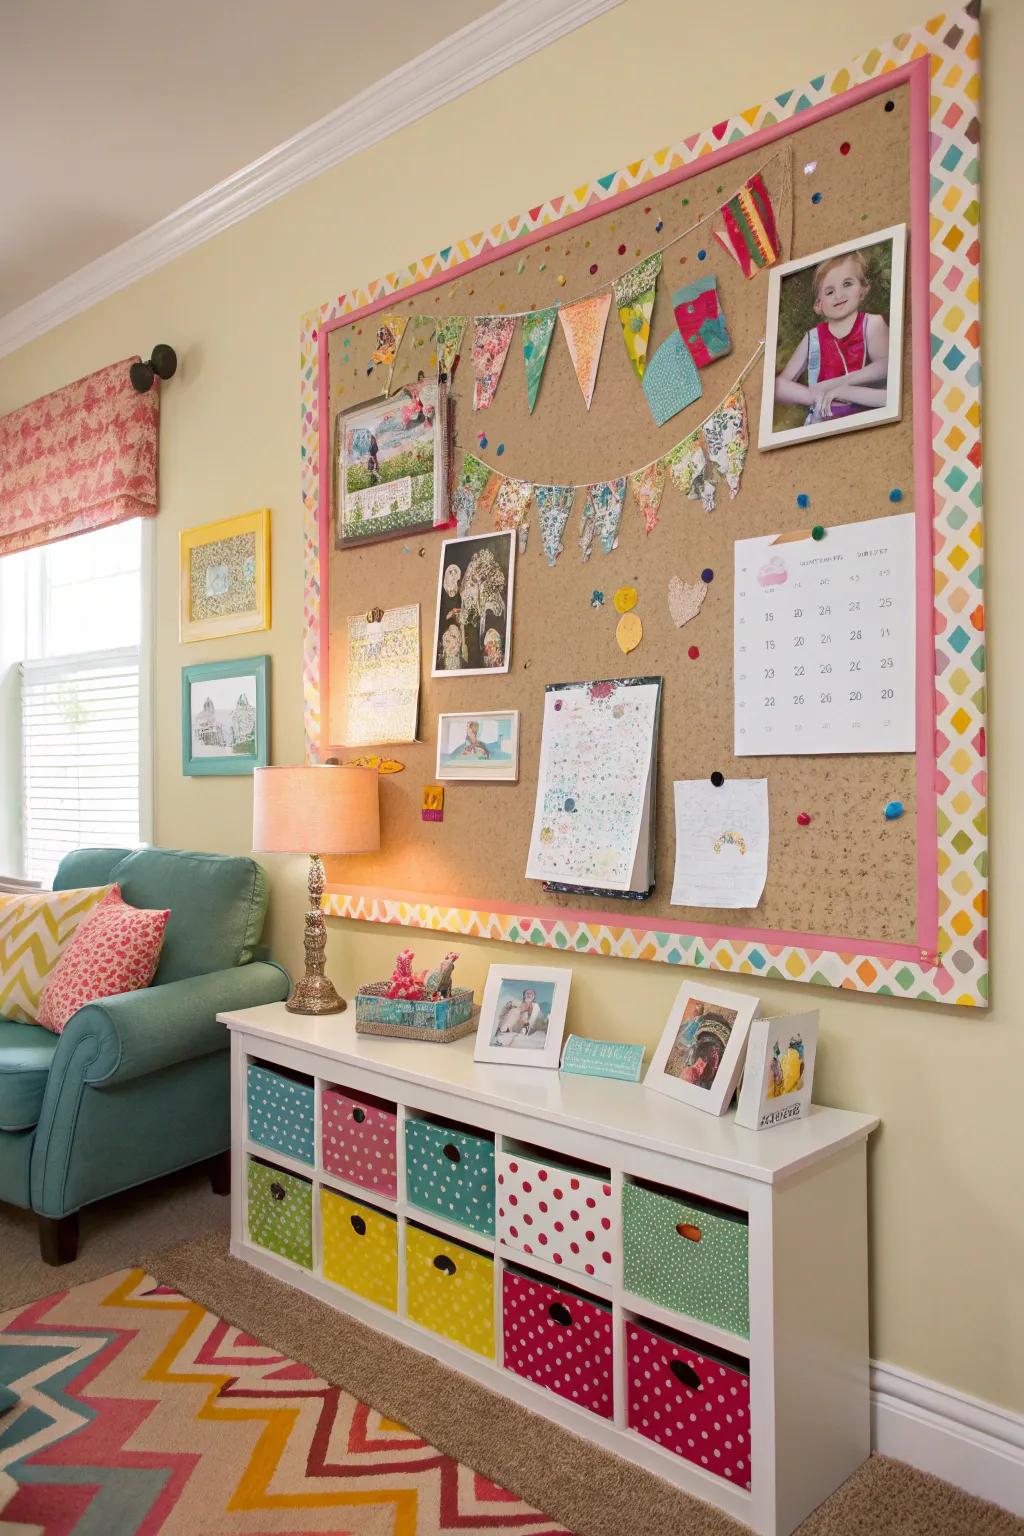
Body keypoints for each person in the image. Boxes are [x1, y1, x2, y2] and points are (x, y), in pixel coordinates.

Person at [774, 250, 890, 425]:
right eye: (829, 292)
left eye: (847, 284)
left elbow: (886, 366)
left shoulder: (872, 324)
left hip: (866, 412)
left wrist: (841, 385)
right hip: (823, 418)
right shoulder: (812, 338)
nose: (838, 295)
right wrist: (816, 395)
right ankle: (821, 398)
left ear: (863, 290)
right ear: (818, 305)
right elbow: (779, 387)